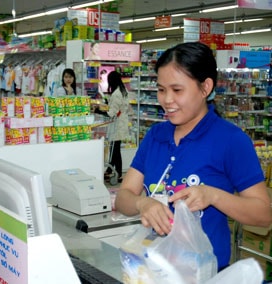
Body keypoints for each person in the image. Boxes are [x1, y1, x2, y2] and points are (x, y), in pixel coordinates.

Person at [114, 42, 272, 271]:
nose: (167, 100)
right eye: (161, 89)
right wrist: (142, 203)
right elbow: (123, 198)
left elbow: (264, 214)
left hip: (203, 273)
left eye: (177, 90)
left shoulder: (230, 140)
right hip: (151, 268)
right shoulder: (155, 136)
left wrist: (213, 196)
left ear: (205, 87)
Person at [96, 71, 130, 183]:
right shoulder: (123, 91)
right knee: (114, 148)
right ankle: (110, 171)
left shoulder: (116, 94)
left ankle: (118, 173)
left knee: (115, 150)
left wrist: (98, 111)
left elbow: (111, 113)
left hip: (117, 124)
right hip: (120, 123)